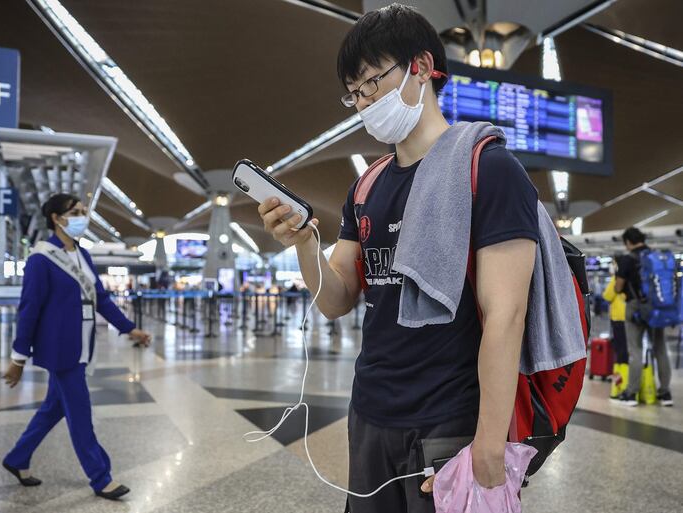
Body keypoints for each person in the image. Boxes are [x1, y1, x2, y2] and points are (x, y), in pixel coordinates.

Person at [257, 5, 539, 512]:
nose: (365, 102)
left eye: (372, 83)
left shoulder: (489, 169)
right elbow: (337, 299)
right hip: (370, 411)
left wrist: (490, 442)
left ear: (422, 67)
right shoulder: (366, 185)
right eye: (355, 93)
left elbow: (507, 314)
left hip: (449, 420)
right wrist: (304, 242)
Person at [1, 194, 152, 500]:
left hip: (82, 344)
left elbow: (101, 299)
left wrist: (129, 328)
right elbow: (29, 309)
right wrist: (18, 358)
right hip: (60, 350)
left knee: (52, 409)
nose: (83, 216)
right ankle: (101, 477)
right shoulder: (41, 259)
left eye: (84, 211)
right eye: (75, 212)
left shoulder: (82, 255)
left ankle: (17, 459)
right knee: (80, 413)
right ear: (57, 218)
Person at [611, 227, 673, 407]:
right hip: (657, 308)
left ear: (628, 242)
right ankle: (665, 393)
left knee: (635, 351)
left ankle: (631, 393)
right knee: (660, 350)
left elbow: (617, 288)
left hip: (635, 308)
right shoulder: (655, 256)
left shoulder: (627, 260)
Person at [602, 257, 629, 399]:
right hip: (627, 319)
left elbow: (607, 295)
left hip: (619, 318)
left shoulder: (618, 278)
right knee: (625, 350)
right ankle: (623, 382)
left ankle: (621, 384)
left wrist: (614, 278)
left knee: (621, 352)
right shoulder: (631, 278)